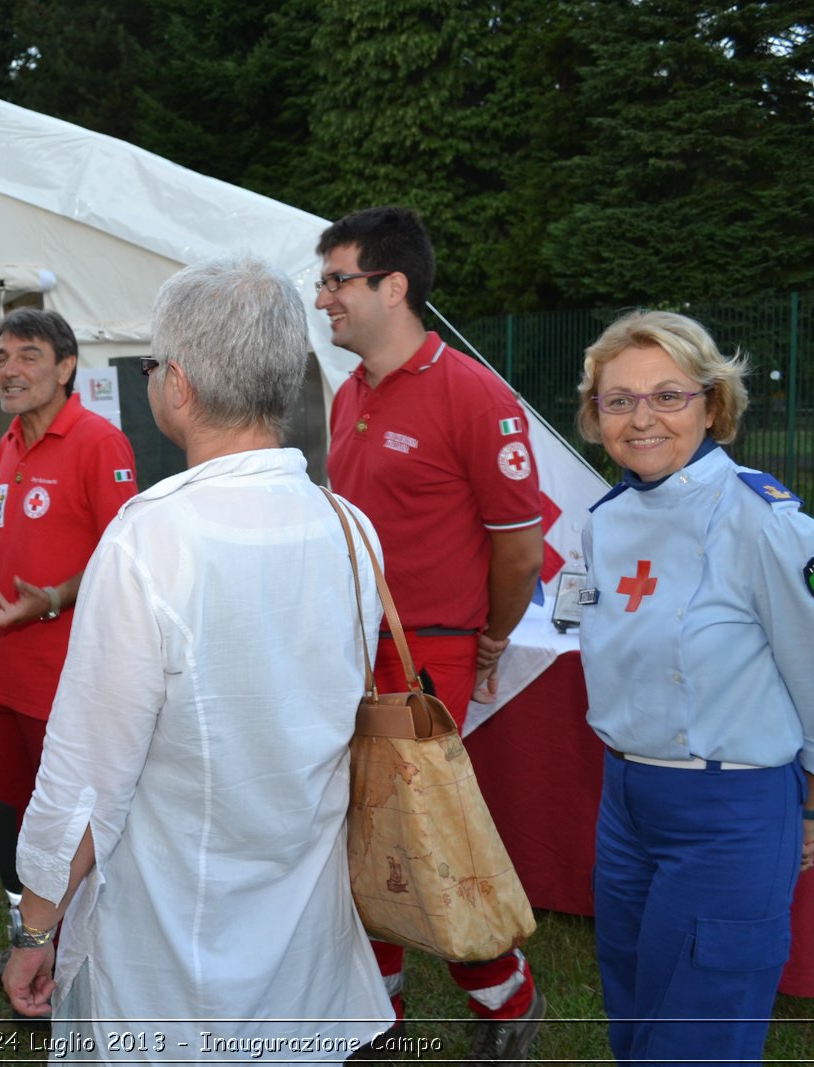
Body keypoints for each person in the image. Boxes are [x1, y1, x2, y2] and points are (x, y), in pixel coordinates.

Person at [4, 256, 394, 1060]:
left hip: (174, 943)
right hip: (306, 929)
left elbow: (88, 770)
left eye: (150, 363)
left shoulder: (151, 535)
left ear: (175, 385)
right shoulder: (351, 526)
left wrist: (36, 922)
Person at [575, 309, 814, 1065]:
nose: (642, 418)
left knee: (701, 1034)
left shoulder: (766, 524)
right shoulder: (605, 519)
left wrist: (806, 815)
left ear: (712, 404)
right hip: (625, 800)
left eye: (667, 395)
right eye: (619, 400)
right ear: (595, 413)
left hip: (729, 810)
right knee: (635, 1008)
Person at [318, 205, 547, 1061]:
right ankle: (377, 1018)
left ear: (394, 284)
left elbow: (520, 548)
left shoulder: (474, 392)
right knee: (356, 835)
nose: (324, 298)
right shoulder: (348, 394)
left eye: (338, 280)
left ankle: (507, 995)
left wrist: (491, 636)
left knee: (419, 832)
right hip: (349, 652)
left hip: (427, 658)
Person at [0, 307, 137, 988]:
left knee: (69, 823)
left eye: (27, 355)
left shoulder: (100, 442)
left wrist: (48, 600)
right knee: (3, 815)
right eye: (0, 355)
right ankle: (29, 938)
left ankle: (81, 958)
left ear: (66, 367)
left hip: (66, 677)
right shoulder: (9, 443)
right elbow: (16, 544)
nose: (9, 370)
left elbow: (120, 561)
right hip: (0, 671)